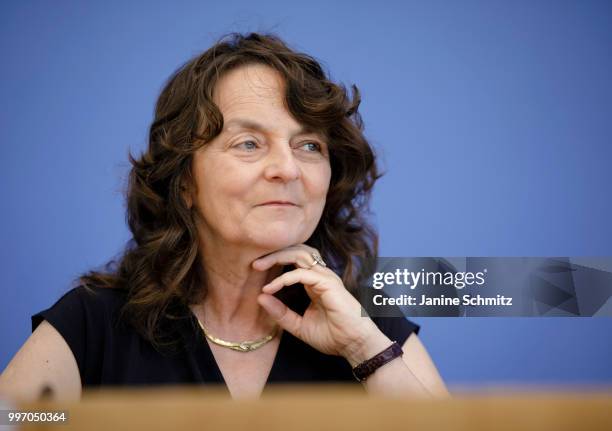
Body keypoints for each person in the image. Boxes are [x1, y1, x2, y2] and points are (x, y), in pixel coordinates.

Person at [0, 32, 449, 401]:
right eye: (249, 144)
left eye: (309, 145)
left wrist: (363, 349)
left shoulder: (367, 320)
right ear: (185, 182)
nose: (288, 169)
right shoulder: (95, 322)